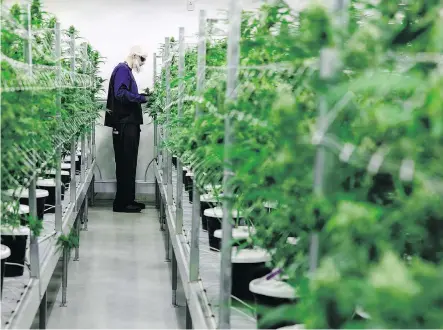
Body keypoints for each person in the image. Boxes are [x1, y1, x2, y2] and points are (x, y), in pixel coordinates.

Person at [105, 46, 148, 213]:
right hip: (125, 124)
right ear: (134, 55)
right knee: (125, 163)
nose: (142, 64)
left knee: (128, 163)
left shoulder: (125, 71)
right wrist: (142, 98)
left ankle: (127, 200)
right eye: (141, 60)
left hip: (127, 124)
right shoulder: (122, 69)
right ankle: (123, 203)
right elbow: (120, 94)